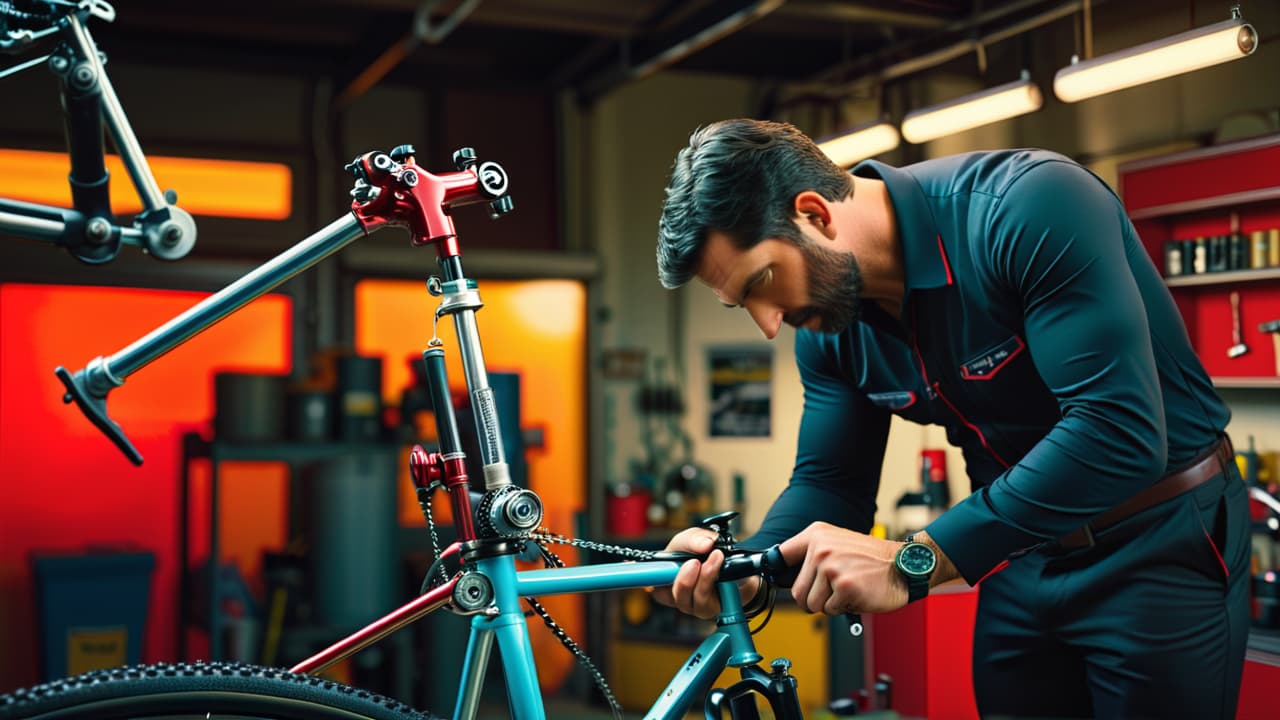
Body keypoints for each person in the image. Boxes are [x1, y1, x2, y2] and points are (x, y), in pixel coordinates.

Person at [652, 118, 1249, 719]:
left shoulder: (1028, 207)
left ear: (815, 214)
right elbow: (832, 483)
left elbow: (1118, 431)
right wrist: (749, 567)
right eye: (742, 304)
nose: (769, 324)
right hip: (1020, 556)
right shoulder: (829, 328)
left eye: (762, 282)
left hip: (1158, 543)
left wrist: (918, 558)